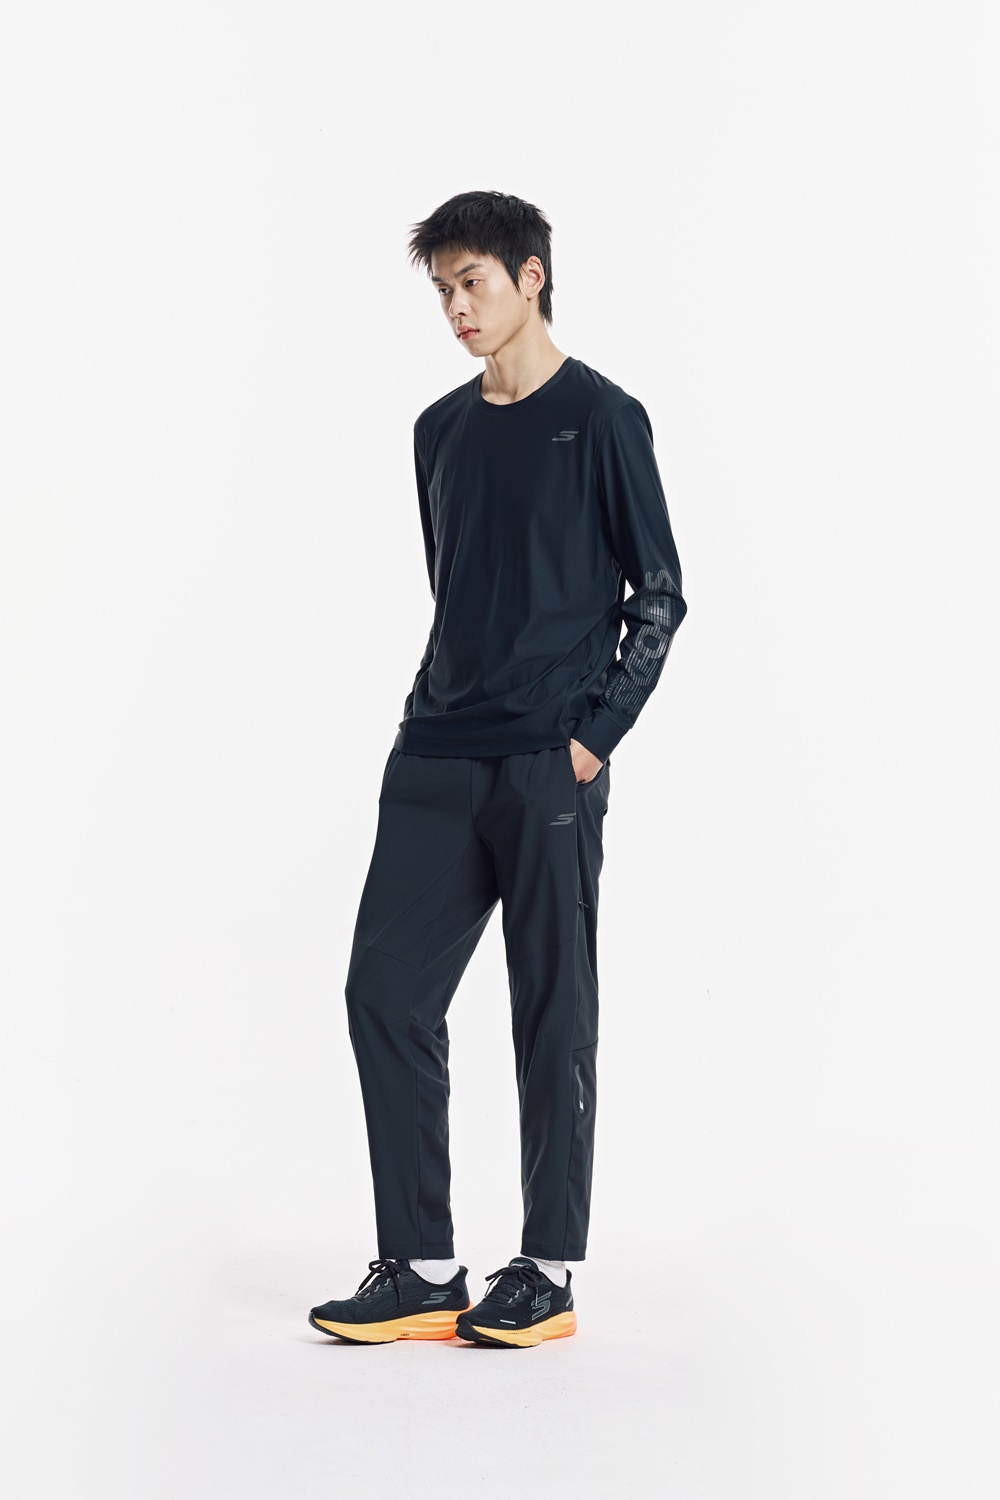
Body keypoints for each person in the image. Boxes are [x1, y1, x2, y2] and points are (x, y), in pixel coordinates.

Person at [309, 190, 688, 1348]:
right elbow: (458, 588)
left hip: (545, 763)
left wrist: (590, 738)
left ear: (531, 277)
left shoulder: (604, 418)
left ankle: (549, 1270)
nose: (456, 309)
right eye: (442, 291)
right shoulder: (438, 431)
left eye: (471, 282)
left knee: (550, 1009)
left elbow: (658, 595)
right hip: (433, 751)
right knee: (384, 993)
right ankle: (423, 1267)